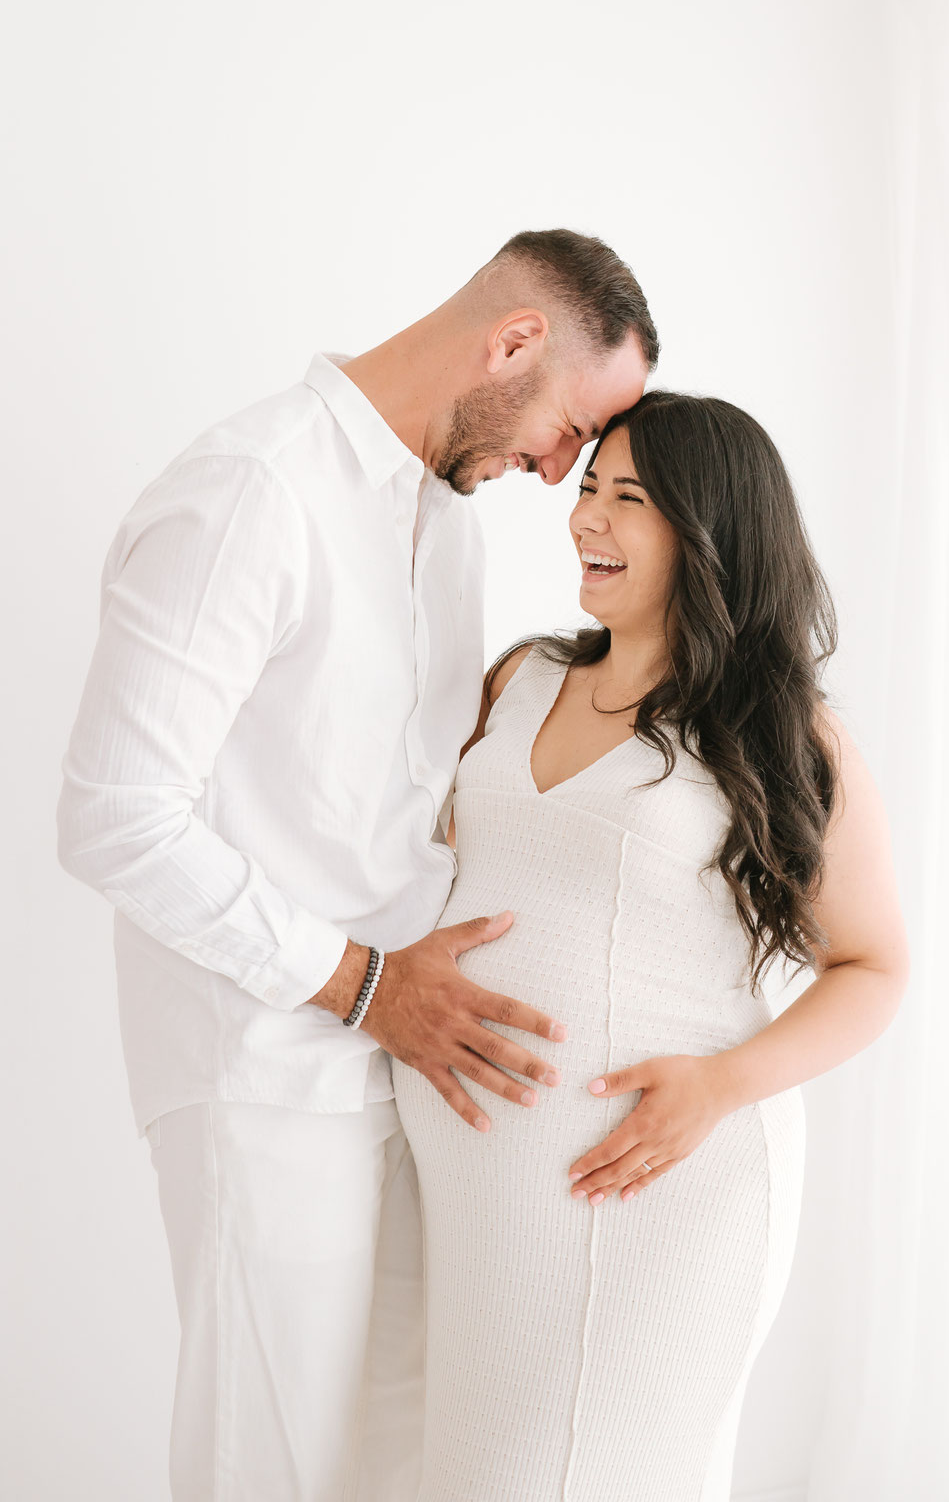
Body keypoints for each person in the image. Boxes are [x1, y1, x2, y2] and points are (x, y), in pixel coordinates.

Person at [56, 229, 656, 1501]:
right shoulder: (250, 492)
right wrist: (367, 986)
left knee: (390, 1470)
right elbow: (115, 812)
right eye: (569, 429)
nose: (563, 474)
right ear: (511, 342)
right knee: (268, 1470)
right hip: (267, 1076)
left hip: (412, 1083)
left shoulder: (449, 527)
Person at [391, 392, 911, 1501]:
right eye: (587, 488)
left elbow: (872, 967)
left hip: (654, 1183)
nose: (587, 518)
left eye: (630, 499)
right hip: (485, 1194)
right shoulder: (517, 678)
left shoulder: (776, 729)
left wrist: (721, 1086)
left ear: (711, 528)